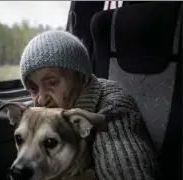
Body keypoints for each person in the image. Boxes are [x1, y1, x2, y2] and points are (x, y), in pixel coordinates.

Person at [19, 30, 158, 179]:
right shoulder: (56, 107)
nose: (40, 100)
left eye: (52, 83)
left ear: (82, 78)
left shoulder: (113, 111)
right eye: (33, 88)